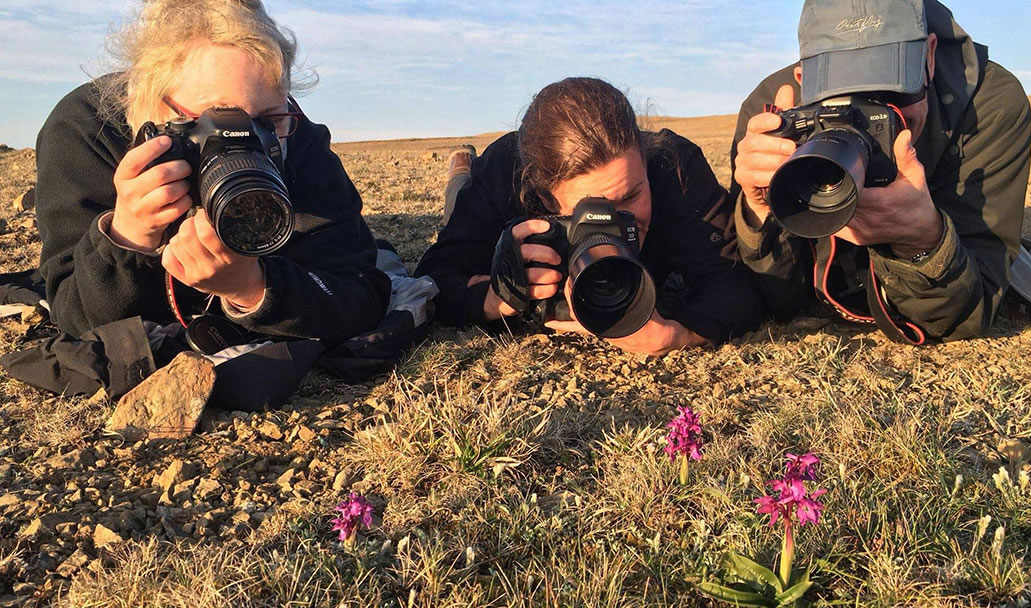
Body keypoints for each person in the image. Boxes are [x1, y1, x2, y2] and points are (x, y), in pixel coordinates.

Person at [5, 0, 392, 413]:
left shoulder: (295, 135)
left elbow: (356, 286)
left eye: (269, 119)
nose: (250, 139)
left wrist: (254, 287)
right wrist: (126, 240)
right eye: (216, 120)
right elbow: (77, 317)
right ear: (155, 112)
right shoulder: (85, 129)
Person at [727, 0, 1031, 343]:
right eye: (840, 95)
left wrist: (923, 241)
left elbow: (970, 313)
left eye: (891, 91)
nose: (870, 116)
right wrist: (761, 214)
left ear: (929, 58)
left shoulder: (988, 105)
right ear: (803, 80)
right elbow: (774, 298)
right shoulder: (772, 113)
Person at [416, 77, 763, 356]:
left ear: (645, 160)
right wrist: (492, 298)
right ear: (544, 201)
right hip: (485, 184)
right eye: (592, 208)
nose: (618, 221)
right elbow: (433, 278)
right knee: (458, 200)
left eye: (632, 195)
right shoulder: (501, 175)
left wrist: (678, 335)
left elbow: (736, 285)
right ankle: (461, 168)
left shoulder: (673, 168)